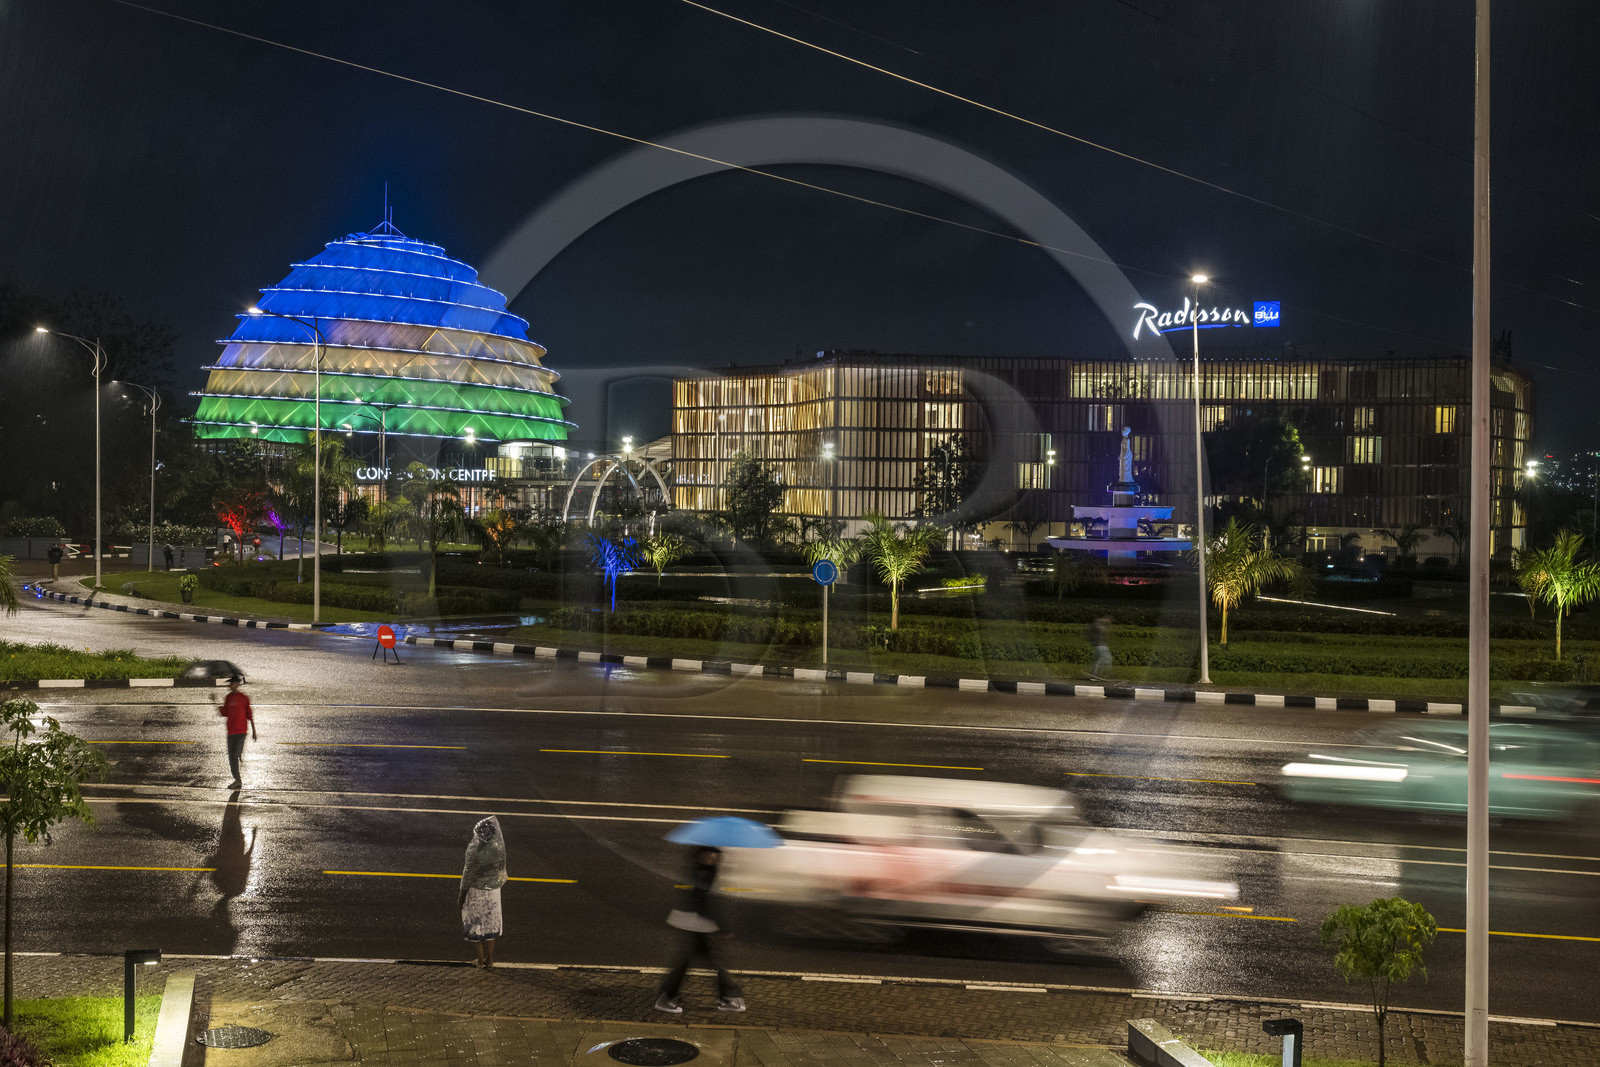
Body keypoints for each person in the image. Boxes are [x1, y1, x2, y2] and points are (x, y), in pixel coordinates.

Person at [655, 846, 744, 1014]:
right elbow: (705, 900)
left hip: (698, 922)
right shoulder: (703, 872)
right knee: (701, 961)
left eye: (717, 854)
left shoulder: (705, 869)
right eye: (712, 853)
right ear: (703, 854)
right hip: (696, 922)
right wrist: (722, 926)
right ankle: (728, 996)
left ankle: (727, 996)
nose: (715, 857)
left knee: (698, 961)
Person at [459, 816, 508, 967]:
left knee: (477, 925)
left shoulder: (473, 849)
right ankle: (490, 959)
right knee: (490, 925)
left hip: (476, 891)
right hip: (493, 892)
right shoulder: (498, 848)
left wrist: (462, 895)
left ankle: (480, 960)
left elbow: (467, 874)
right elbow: (501, 869)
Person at [213, 675, 256, 788]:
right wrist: (214, 701)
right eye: (230, 684)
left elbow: (250, 715)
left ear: (237, 684)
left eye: (232, 684)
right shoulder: (228, 698)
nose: (231, 686)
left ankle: (239, 754)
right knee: (232, 758)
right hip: (231, 732)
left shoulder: (244, 698)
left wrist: (254, 731)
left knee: (236, 754)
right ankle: (237, 780)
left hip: (241, 731)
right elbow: (224, 713)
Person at [1086, 616, 1112, 681]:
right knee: (1099, 660)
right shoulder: (1097, 625)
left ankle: (1100, 674)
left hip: (1102, 645)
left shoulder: (1098, 625)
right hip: (1100, 646)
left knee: (1106, 659)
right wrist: (1104, 621)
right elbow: (1099, 628)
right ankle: (1095, 675)